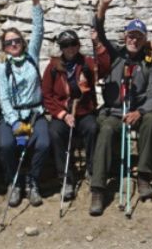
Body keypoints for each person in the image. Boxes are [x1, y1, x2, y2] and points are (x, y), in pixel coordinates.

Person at [91, 0, 152, 214]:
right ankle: (98, 189)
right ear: (125, 37)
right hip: (114, 111)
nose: (134, 40)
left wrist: (140, 112)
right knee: (106, 131)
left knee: (151, 120)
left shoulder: (150, 63)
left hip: (137, 111)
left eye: (138, 37)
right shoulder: (114, 55)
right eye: (131, 35)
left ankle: (143, 176)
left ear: (144, 40)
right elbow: (98, 30)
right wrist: (103, 5)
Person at [0, 0, 48, 208]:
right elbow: (4, 98)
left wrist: (36, 3)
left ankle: (32, 180)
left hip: (36, 113)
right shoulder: (1, 68)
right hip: (13, 115)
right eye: (9, 42)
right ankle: (13, 182)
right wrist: (15, 122)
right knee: (8, 144)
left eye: (16, 40)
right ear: (4, 47)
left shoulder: (32, 57)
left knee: (43, 143)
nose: (14, 44)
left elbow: (38, 31)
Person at [41, 28, 102, 207]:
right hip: (62, 113)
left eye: (73, 44)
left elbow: (103, 68)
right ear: (61, 47)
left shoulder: (87, 63)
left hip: (84, 111)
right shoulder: (53, 66)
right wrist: (62, 114)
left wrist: (97, 42)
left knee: (92, 128)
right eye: (66, 45)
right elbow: (47, 94)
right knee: (55, 132)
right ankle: (66, 177)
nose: (70, 48)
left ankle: (92, 169)